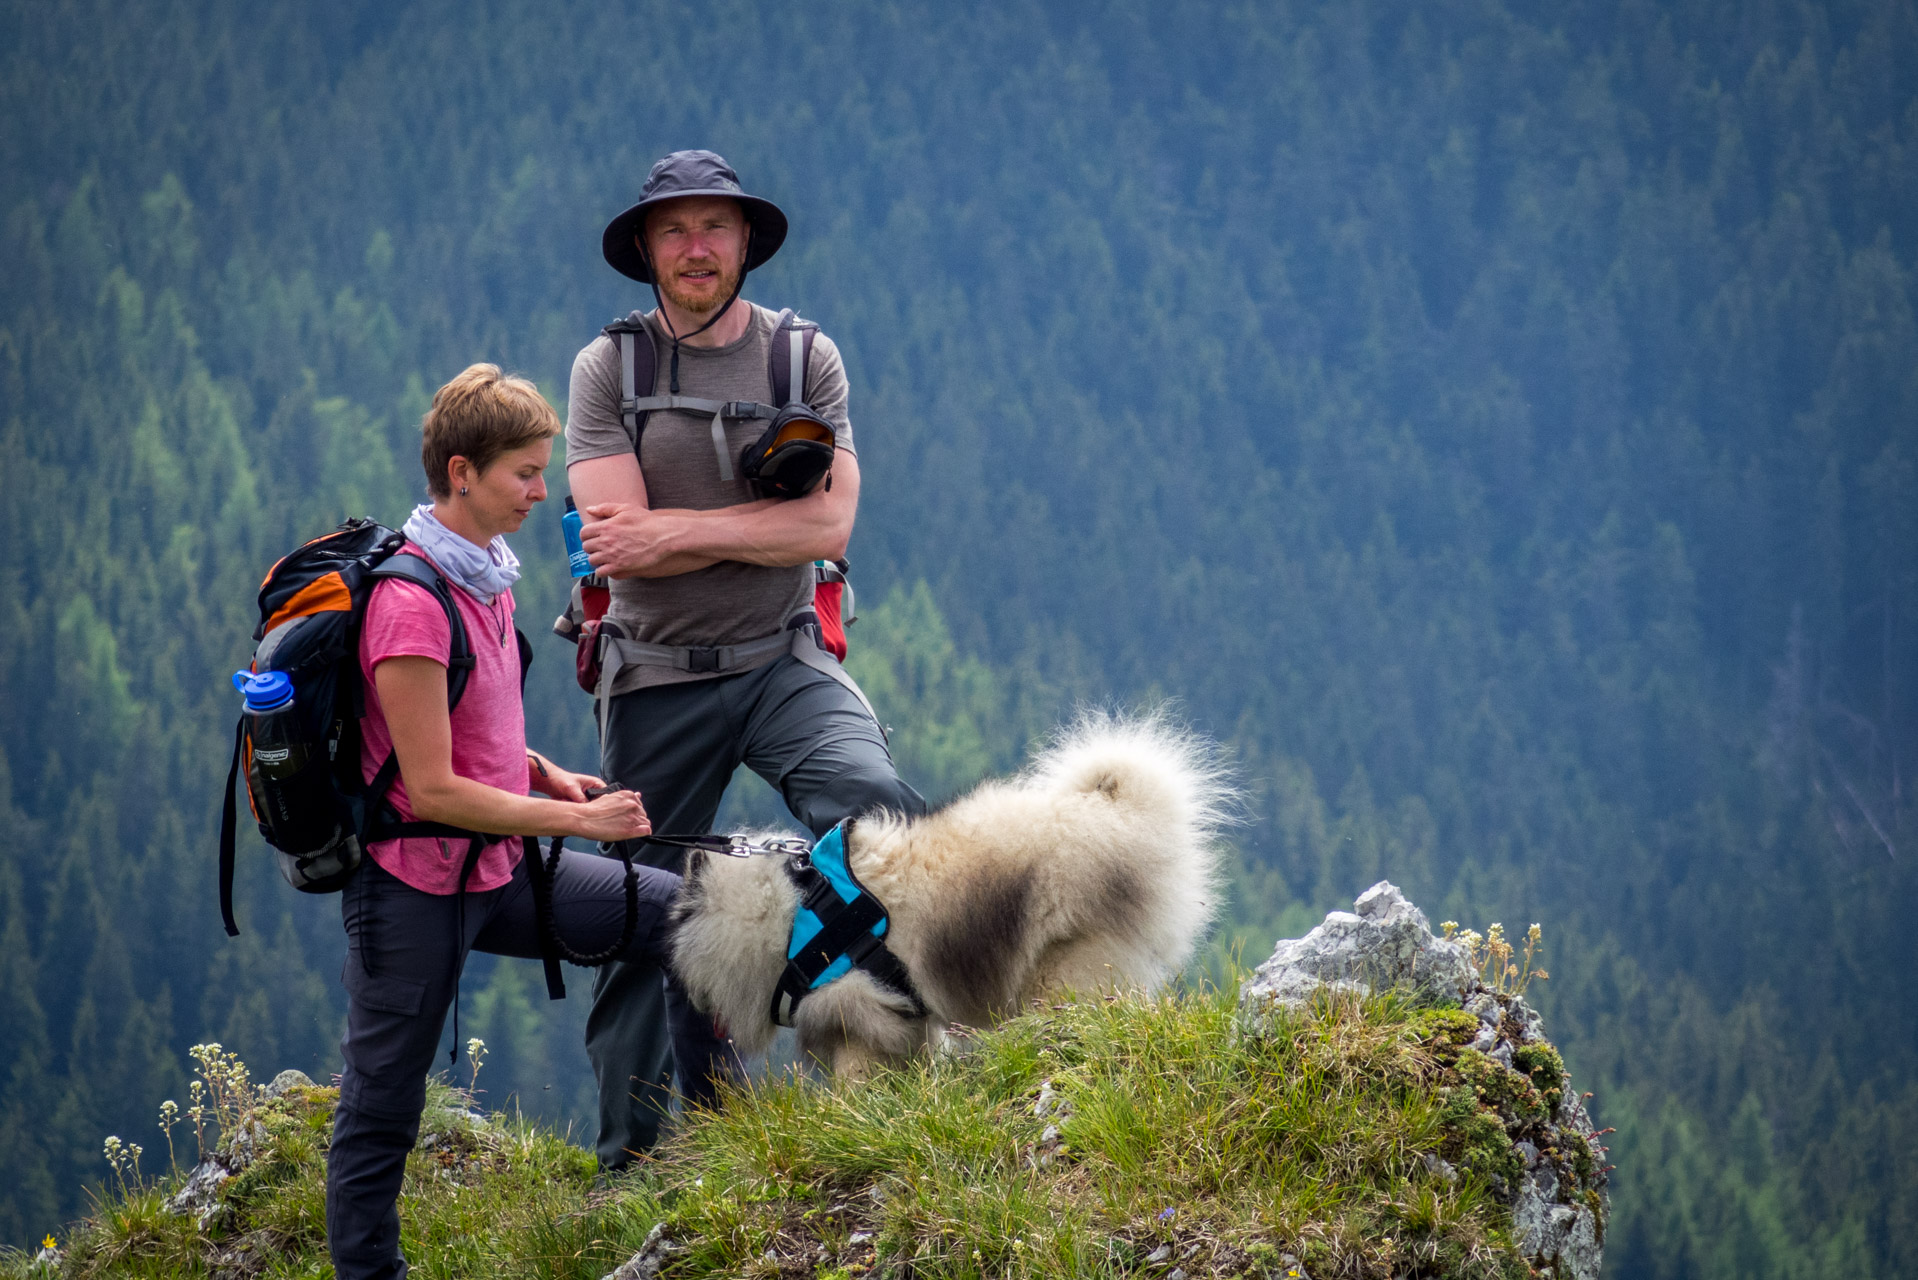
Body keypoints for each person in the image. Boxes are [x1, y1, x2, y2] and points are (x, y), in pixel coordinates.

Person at [566, 150, 927, 1170]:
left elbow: (831, 521)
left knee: (884, 823)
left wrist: (676, 533)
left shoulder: (802, 358)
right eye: (673, 229)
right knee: (637, 917)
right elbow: (610, 537)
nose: (695, 246)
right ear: (644, 247)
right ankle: (632, 1167)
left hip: (783, 658)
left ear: (744, 242)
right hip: (656, 672)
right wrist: (768, 522)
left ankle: (914, 1086)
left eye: (714, 227)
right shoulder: (611, 368)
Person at [325, 364, 722, 1280]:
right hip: (411, 890)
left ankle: (725, 1159)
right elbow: (430, 790)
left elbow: (473, 723)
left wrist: (544, 768)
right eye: (524, 474)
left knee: (697, 922)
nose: (545, 493)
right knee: (383, 1108)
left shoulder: (487, 576)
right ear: (460, 472)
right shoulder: (410, 601)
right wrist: (576, 826)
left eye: (545, 470)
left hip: (496, 870)